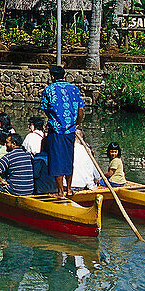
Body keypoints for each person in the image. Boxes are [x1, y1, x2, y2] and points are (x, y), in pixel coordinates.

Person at [40, 64, 85, 198]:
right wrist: (76, 123)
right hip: (70, 130)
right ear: (64, 76)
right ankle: (69, 189)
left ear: (52, 77)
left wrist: (54, 119)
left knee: (57, 159)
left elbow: (45, 108)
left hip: (57, 130)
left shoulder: (49, 90)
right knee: (68, 158)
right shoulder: (74, 88)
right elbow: (81, 110)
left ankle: (60, 192)